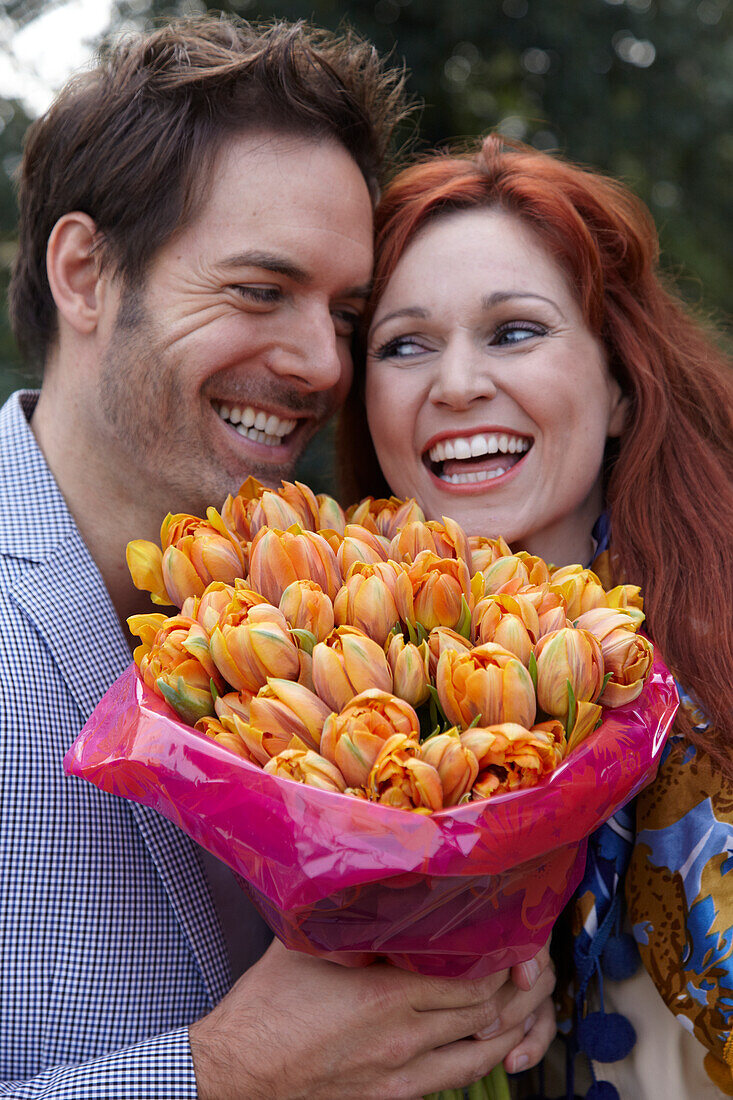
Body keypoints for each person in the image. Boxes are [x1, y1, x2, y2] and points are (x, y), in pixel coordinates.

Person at [0, 18, 557, 1099]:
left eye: (345, 312)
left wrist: (468, 976)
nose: (318, 362)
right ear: (83, 272)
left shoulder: (352, 613)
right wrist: (219, 1075)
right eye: (260, 289)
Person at [340, 135, 733, 1097]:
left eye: (513, 331)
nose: (458, 383)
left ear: (616, 384)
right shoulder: (341, 713)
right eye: (403, 345)